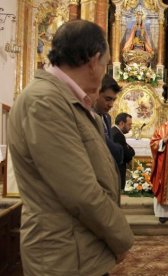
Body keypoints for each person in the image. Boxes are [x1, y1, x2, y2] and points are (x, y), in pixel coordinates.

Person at [7, 20, 134, 275]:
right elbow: (81, 192)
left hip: (78, 249)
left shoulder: (65, 99)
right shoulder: (45, 102)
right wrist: (122, 238)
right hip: (63, 255)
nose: (104, 71)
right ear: (93, 60)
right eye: (106, 63)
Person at [94, 74, 124, 173]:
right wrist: (118, 149)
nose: (111, 105)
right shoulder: (89, 116)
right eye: (107, 99)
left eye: (113, 100)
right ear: (96, 93)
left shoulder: (107, 117)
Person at [112, 112, 136, 190]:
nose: (131, 127)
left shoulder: (114, 131)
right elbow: (127, 154)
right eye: (129, 124)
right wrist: (131, 151)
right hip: (117, 171)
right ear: (122, 123)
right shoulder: (118, 135)